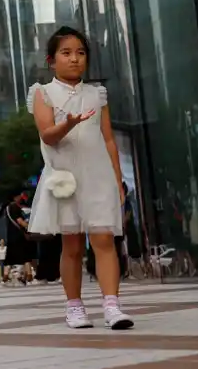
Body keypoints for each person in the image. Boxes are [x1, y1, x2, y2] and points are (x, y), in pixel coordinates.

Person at [27, 26, 134, 330]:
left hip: (97, 174)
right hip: (65, 178)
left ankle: (112, 306)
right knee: (72, 245)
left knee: (104, 238)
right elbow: (47, 135)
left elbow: (109, 139)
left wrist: (117, 178)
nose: (75, 59)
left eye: (81, 53)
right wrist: (68, 124)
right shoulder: (43, 93)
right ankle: (74, 307)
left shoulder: (96, 94)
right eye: (66, 53)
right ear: (52, 60)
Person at [3, 191, 35, 283]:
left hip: (10, 236)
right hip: (19, 235)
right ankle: (29, 275)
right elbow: (20, 221)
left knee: (9, 258)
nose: (20, 197)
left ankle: (5, 275)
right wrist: (29, 227)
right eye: (19, 195)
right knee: (25, 256)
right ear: (14, 197)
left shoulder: (7, 208)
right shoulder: (15, 207)